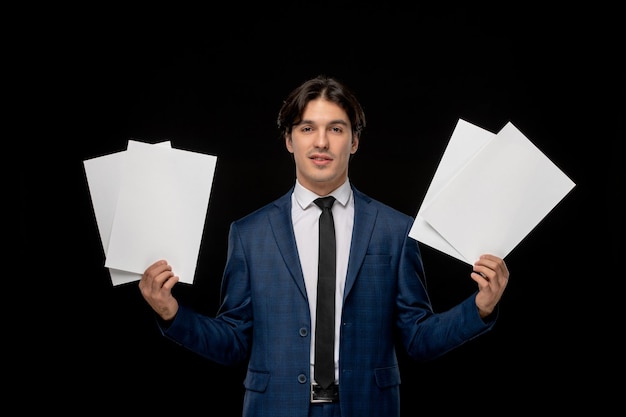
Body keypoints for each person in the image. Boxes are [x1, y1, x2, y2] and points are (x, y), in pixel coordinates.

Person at [139, 74, 509, 417]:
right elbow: (233, 341)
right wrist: (173, 313)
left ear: (355, 140)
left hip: (368, 407)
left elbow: (417, 338)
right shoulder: (249, 233)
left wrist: (480, 307)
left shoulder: (394, 230)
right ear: (289, 140)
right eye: (307, 128)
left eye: (335, 128)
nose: (321, 141)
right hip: (276, 408)